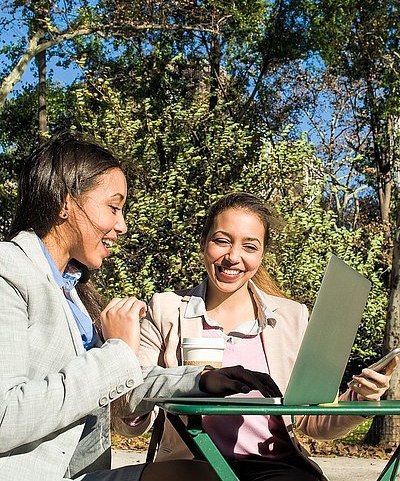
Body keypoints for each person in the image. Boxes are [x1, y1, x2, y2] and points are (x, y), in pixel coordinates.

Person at [0, 137, 280, 481]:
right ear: (64, 202)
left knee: (202, 475)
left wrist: (202, 380)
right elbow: (5, 418)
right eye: (114, 208)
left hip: (85, 473)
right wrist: (118, 351)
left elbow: (113, 391)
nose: (122, 225)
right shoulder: (9, 271)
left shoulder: (72, 289)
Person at [125, 192, 398, 481]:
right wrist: (127, 366)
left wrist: (360, 399)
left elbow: (313, 419)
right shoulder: (166, 310)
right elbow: (131, 420)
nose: (233, 257)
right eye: (222, 241)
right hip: (192, 468)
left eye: (249, 246)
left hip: (275, 469)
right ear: (203, 243)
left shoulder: (292, 317)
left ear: (262, 254)